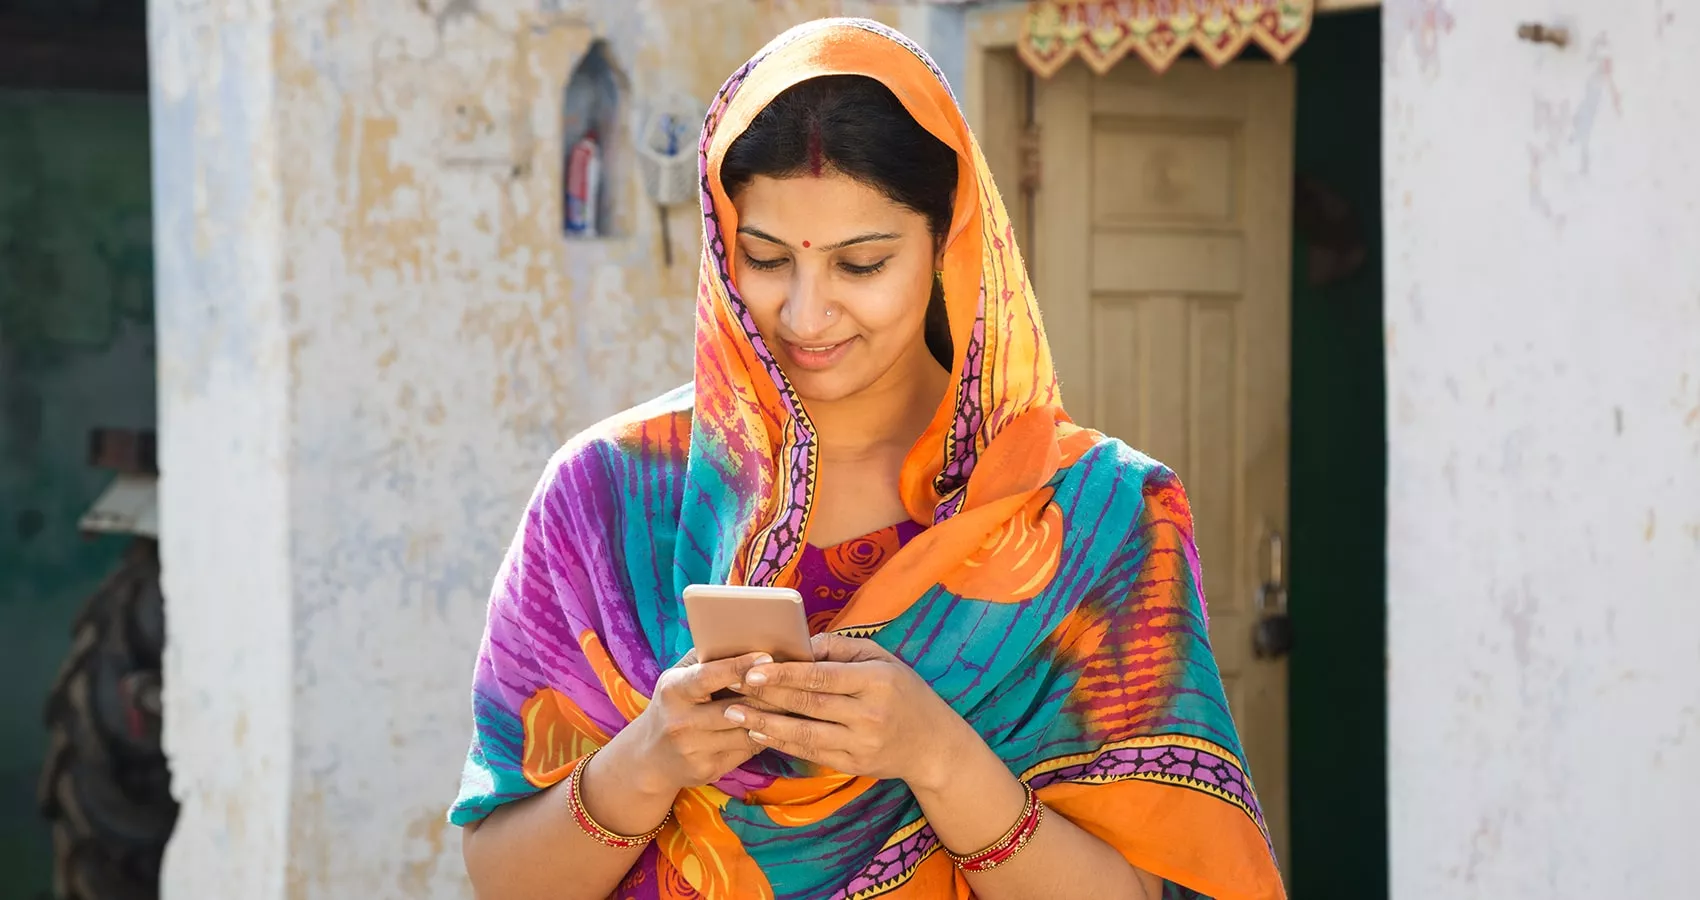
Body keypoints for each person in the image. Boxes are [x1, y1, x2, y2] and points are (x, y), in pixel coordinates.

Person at [451, 17, 1284, 900]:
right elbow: (504, 878)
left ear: (947, 243)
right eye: (765, 258)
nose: (807, 316)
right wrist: (651, 758)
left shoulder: (1092, 518)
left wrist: (934, 755)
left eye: (861, 264)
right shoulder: (609, 496)